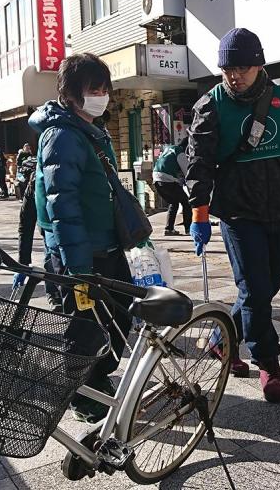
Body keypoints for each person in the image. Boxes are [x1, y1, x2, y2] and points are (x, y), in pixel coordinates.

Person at [186, 28, 280, 403]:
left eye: (242, 68)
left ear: (259, 65)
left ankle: (222, 339)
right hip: (237, 211)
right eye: (227, 69)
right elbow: (199, 163)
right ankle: (268, 363)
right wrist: (199, 212)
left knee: (269, 284)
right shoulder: (211, 105)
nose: (235, 76)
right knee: (255, 289)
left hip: (278, 205)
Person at [29, 53, 140, 423]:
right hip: (80, 254)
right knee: (84, 328)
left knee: (120, 316)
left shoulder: (91, 130)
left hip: (105, 245)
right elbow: (62, 204)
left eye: (105, 89)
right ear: (70, 93)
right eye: (94, 89)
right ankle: (82, 396)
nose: (102, 96)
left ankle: (95, 378)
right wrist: (78, 267)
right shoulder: (62, 136)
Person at [11, 164, 63, 312]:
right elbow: (26, 224)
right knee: (50, 256)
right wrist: (23, 263)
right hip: (48, 228)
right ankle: (53, 293)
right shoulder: (35, 184)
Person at [153, 136, 192, 236]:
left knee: (174, 202)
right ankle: (188, 229)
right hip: (167, 180)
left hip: (157, 179)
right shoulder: (179, 152)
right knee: (186, 202)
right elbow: (187, 171)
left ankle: (169, 229)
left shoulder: (169, 149)